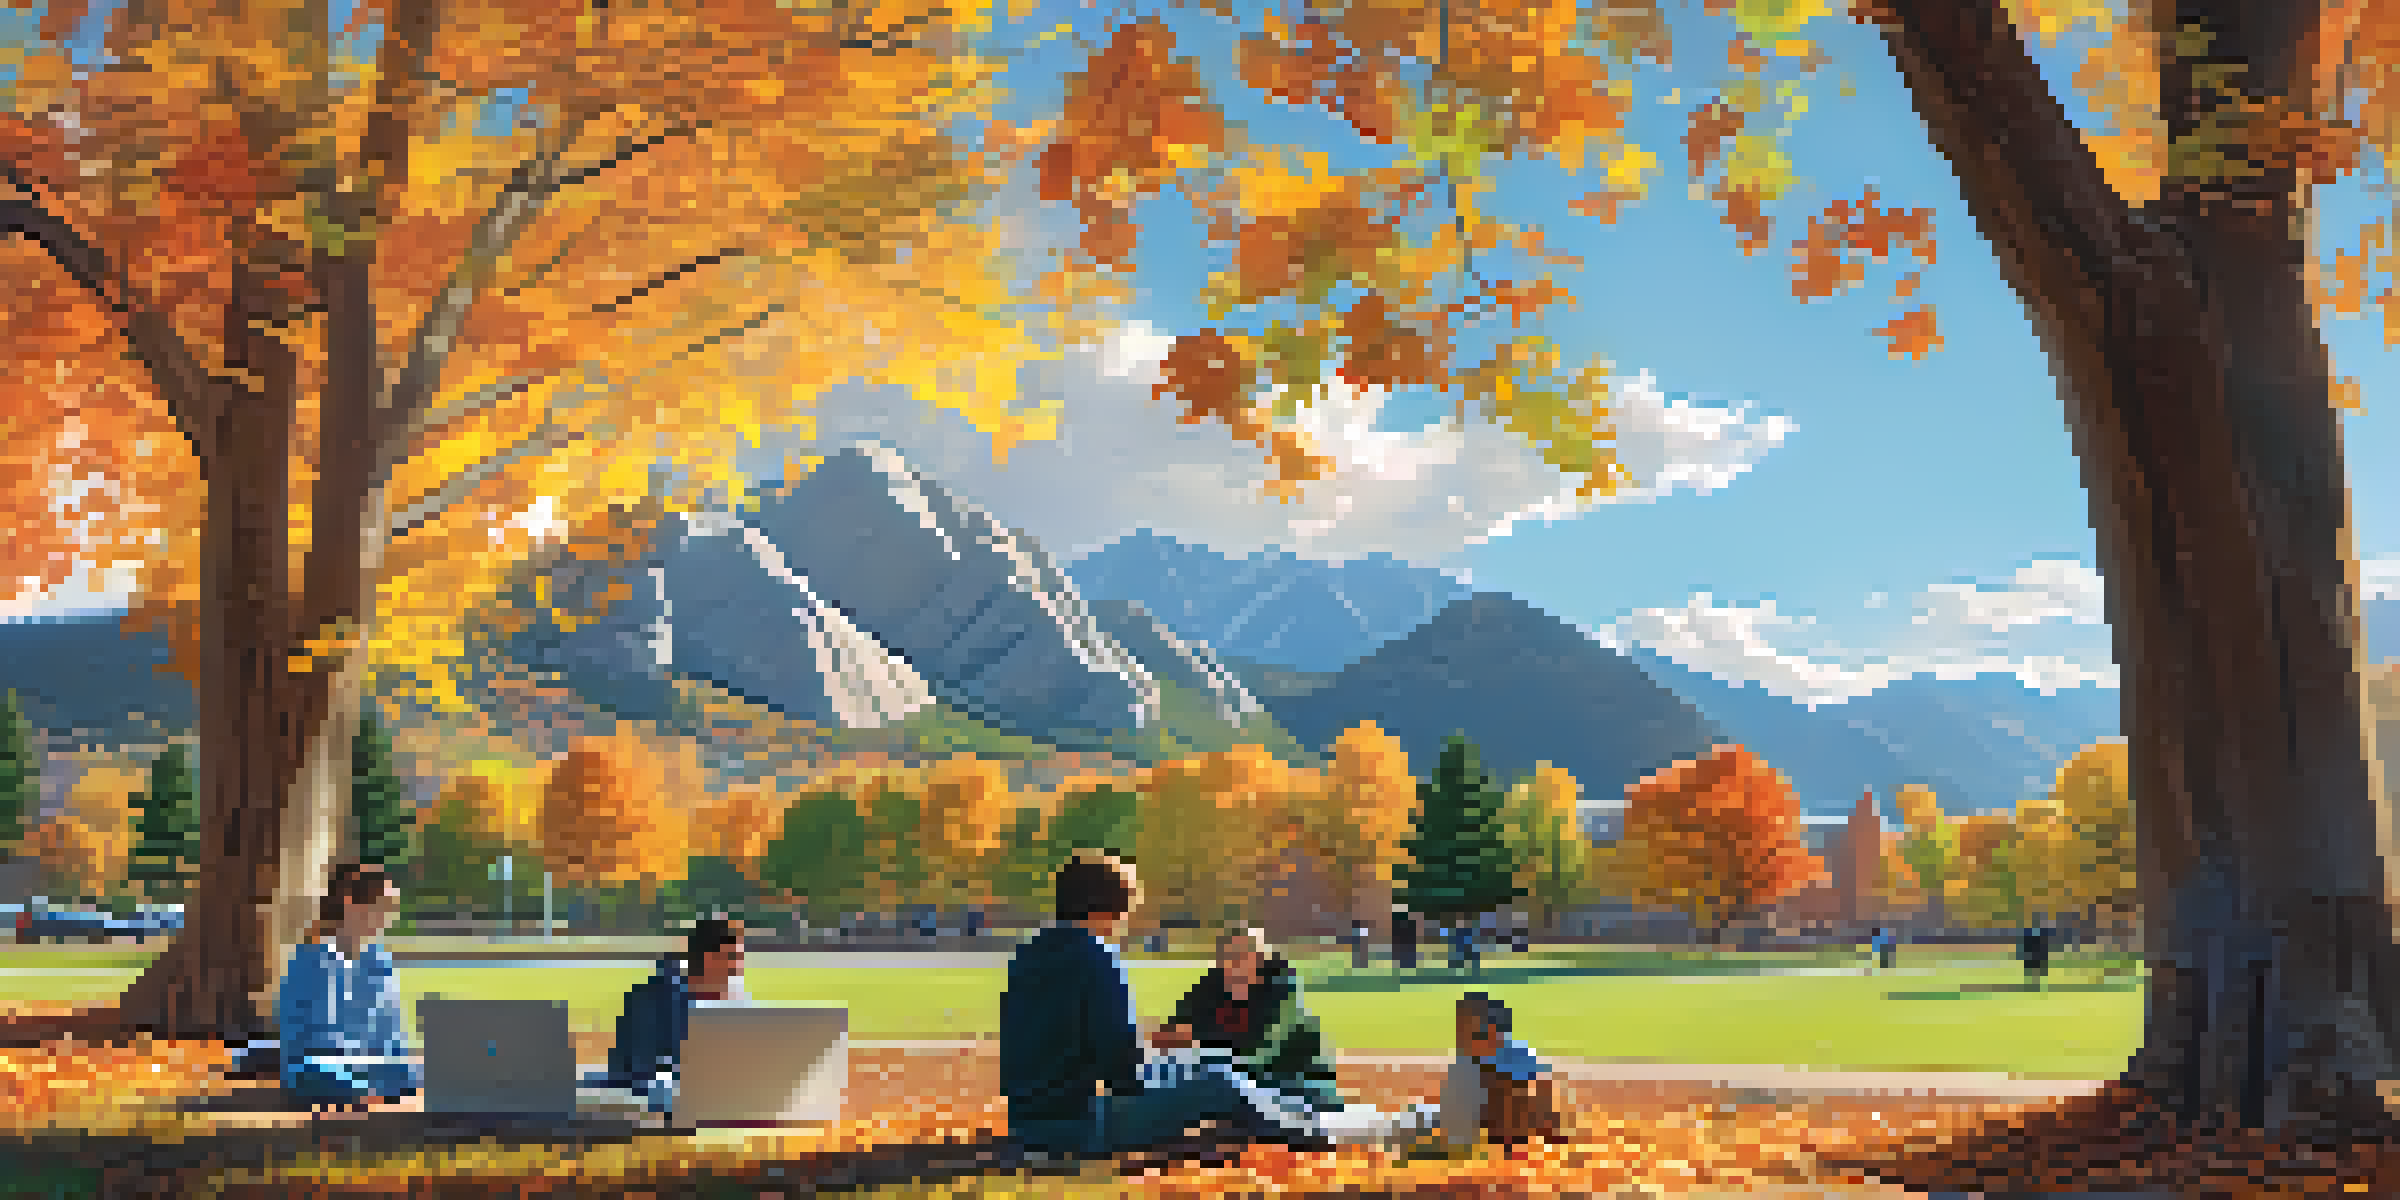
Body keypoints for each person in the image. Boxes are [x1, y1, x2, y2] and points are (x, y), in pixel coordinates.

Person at [1002, 850, 1301, 1157]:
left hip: (1027, 1121)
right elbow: (1122, 1072)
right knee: (1217, 1078)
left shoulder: (1028, 954)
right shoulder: (1096, 956)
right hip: (1080, 1128)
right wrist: (1161, 1073)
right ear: (1109, 909)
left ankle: (1281, 1113)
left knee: (1200, 1063)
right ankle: (1301, 1126)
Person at [275, 862, 421, 1115]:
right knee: (336, 1077)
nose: (389, 918)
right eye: (384, 908)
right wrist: (374, 1066)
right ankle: (370, 1095)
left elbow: (392, 1034)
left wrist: (398, 1064)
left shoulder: (380, 962)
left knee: (417, 1072)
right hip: (318, 1067)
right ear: (351, 904)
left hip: (367, 1064)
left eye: (392, 910)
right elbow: (323, 1042)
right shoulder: (314, 960)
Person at [1151, 927, 1344, 1117]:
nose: (1233, 963)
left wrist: (1200, 1047)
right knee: (1160, 1070)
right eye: (1227, 957)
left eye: (1242, 956)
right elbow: (1166, 1035)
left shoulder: (1282, 994)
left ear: (1261, 959)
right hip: (1235, 1084)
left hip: (1294, 1089)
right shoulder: (1209, 988)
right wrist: (1175, 1039)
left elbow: (1261, 1059)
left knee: (1212, 1072)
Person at [584, 916, 751, 1114]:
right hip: (642, 1100)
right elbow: (640, 1074)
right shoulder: (651, 1000)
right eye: (732, 960)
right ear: (709, 959)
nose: (737, 970)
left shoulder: (735, 1002)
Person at [1439, 992, 1561, 1149]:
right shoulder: (1464, 1066)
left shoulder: (1515, 1054)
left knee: (1506, 1087)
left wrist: (1547, 1125)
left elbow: (1543, 1086)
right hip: (1487, 1124)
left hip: (1507, 1127)